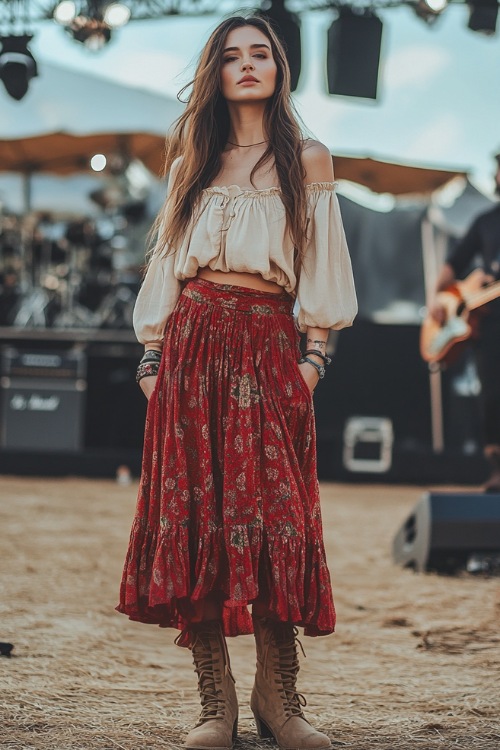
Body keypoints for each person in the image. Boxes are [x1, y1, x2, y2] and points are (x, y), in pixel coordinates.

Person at [116, 14, 357, 750]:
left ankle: (278, 700)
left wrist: (311, 364)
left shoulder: (307, 159)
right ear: (215, 72)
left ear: (281, 68)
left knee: (278, 520)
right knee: (201, 525)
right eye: (231, 56)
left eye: (262, 54)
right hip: (190, 345)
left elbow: (322, 271)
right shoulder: (195, 155)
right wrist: (153, 361)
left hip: (268, 346)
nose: (248, 65)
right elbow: (166, 262)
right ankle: (214, 706)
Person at [431, 153, 500, 492]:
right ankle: (497, 470)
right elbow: (453, 264)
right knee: (491, 396)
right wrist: (439, 300)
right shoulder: (486, 221)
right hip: (487, 327)